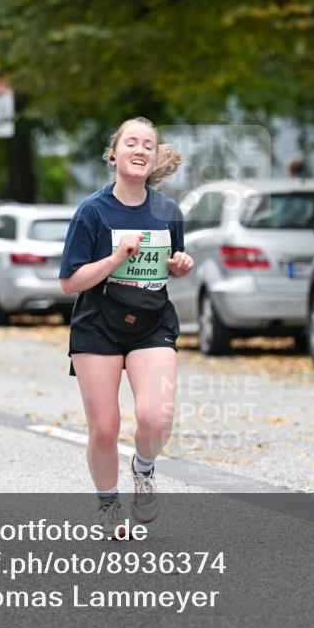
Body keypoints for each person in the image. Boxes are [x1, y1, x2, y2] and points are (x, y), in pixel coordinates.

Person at [59, 117, 194, 533]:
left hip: (151, 322)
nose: (139, 150)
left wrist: (181, 266)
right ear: (114, 154)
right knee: (104, 427)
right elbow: (69, 282)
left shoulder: (168, 211)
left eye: (148, 145)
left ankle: (144, 468)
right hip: (98, 323)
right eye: (131, 143)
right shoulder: (93, 211)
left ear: (154, 158)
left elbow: (170, 266)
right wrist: (116, 258)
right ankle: (107, 504)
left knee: (157, 416)